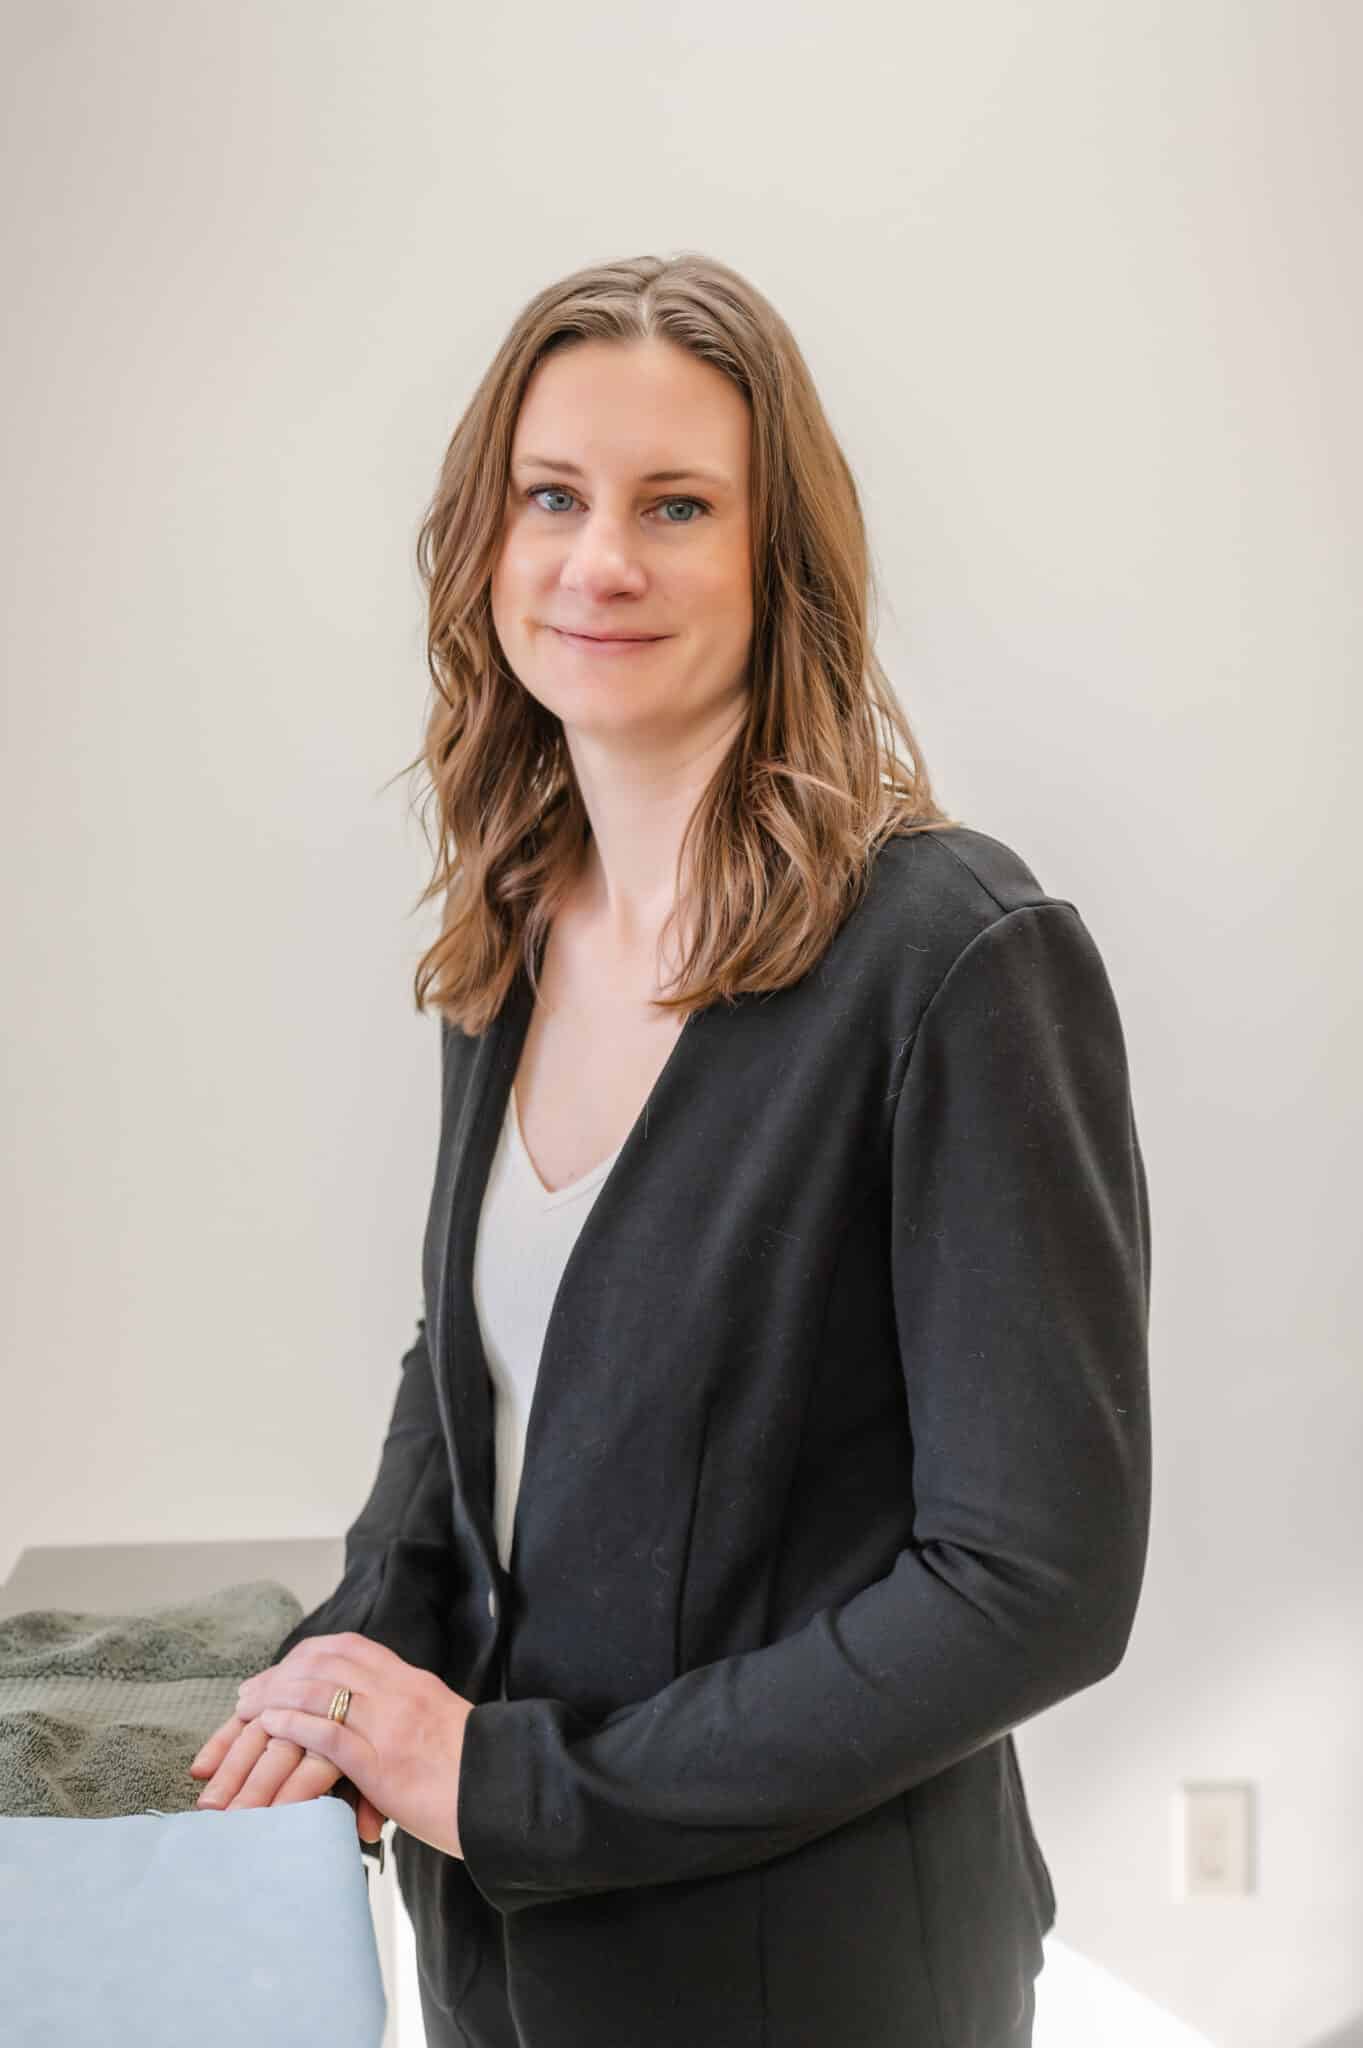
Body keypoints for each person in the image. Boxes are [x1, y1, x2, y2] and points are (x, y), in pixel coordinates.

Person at [189, 251, 1152, 2048]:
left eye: (677, 505)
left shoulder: (955, 958)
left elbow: (1032, 1590)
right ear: (487, 543)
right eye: (551, 497)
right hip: (504, 1961)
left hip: (825, 1981)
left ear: (782, 564)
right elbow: (468, 1379)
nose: (598, 559)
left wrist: (522, 1789)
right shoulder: (512, 932)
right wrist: (346, 1669)